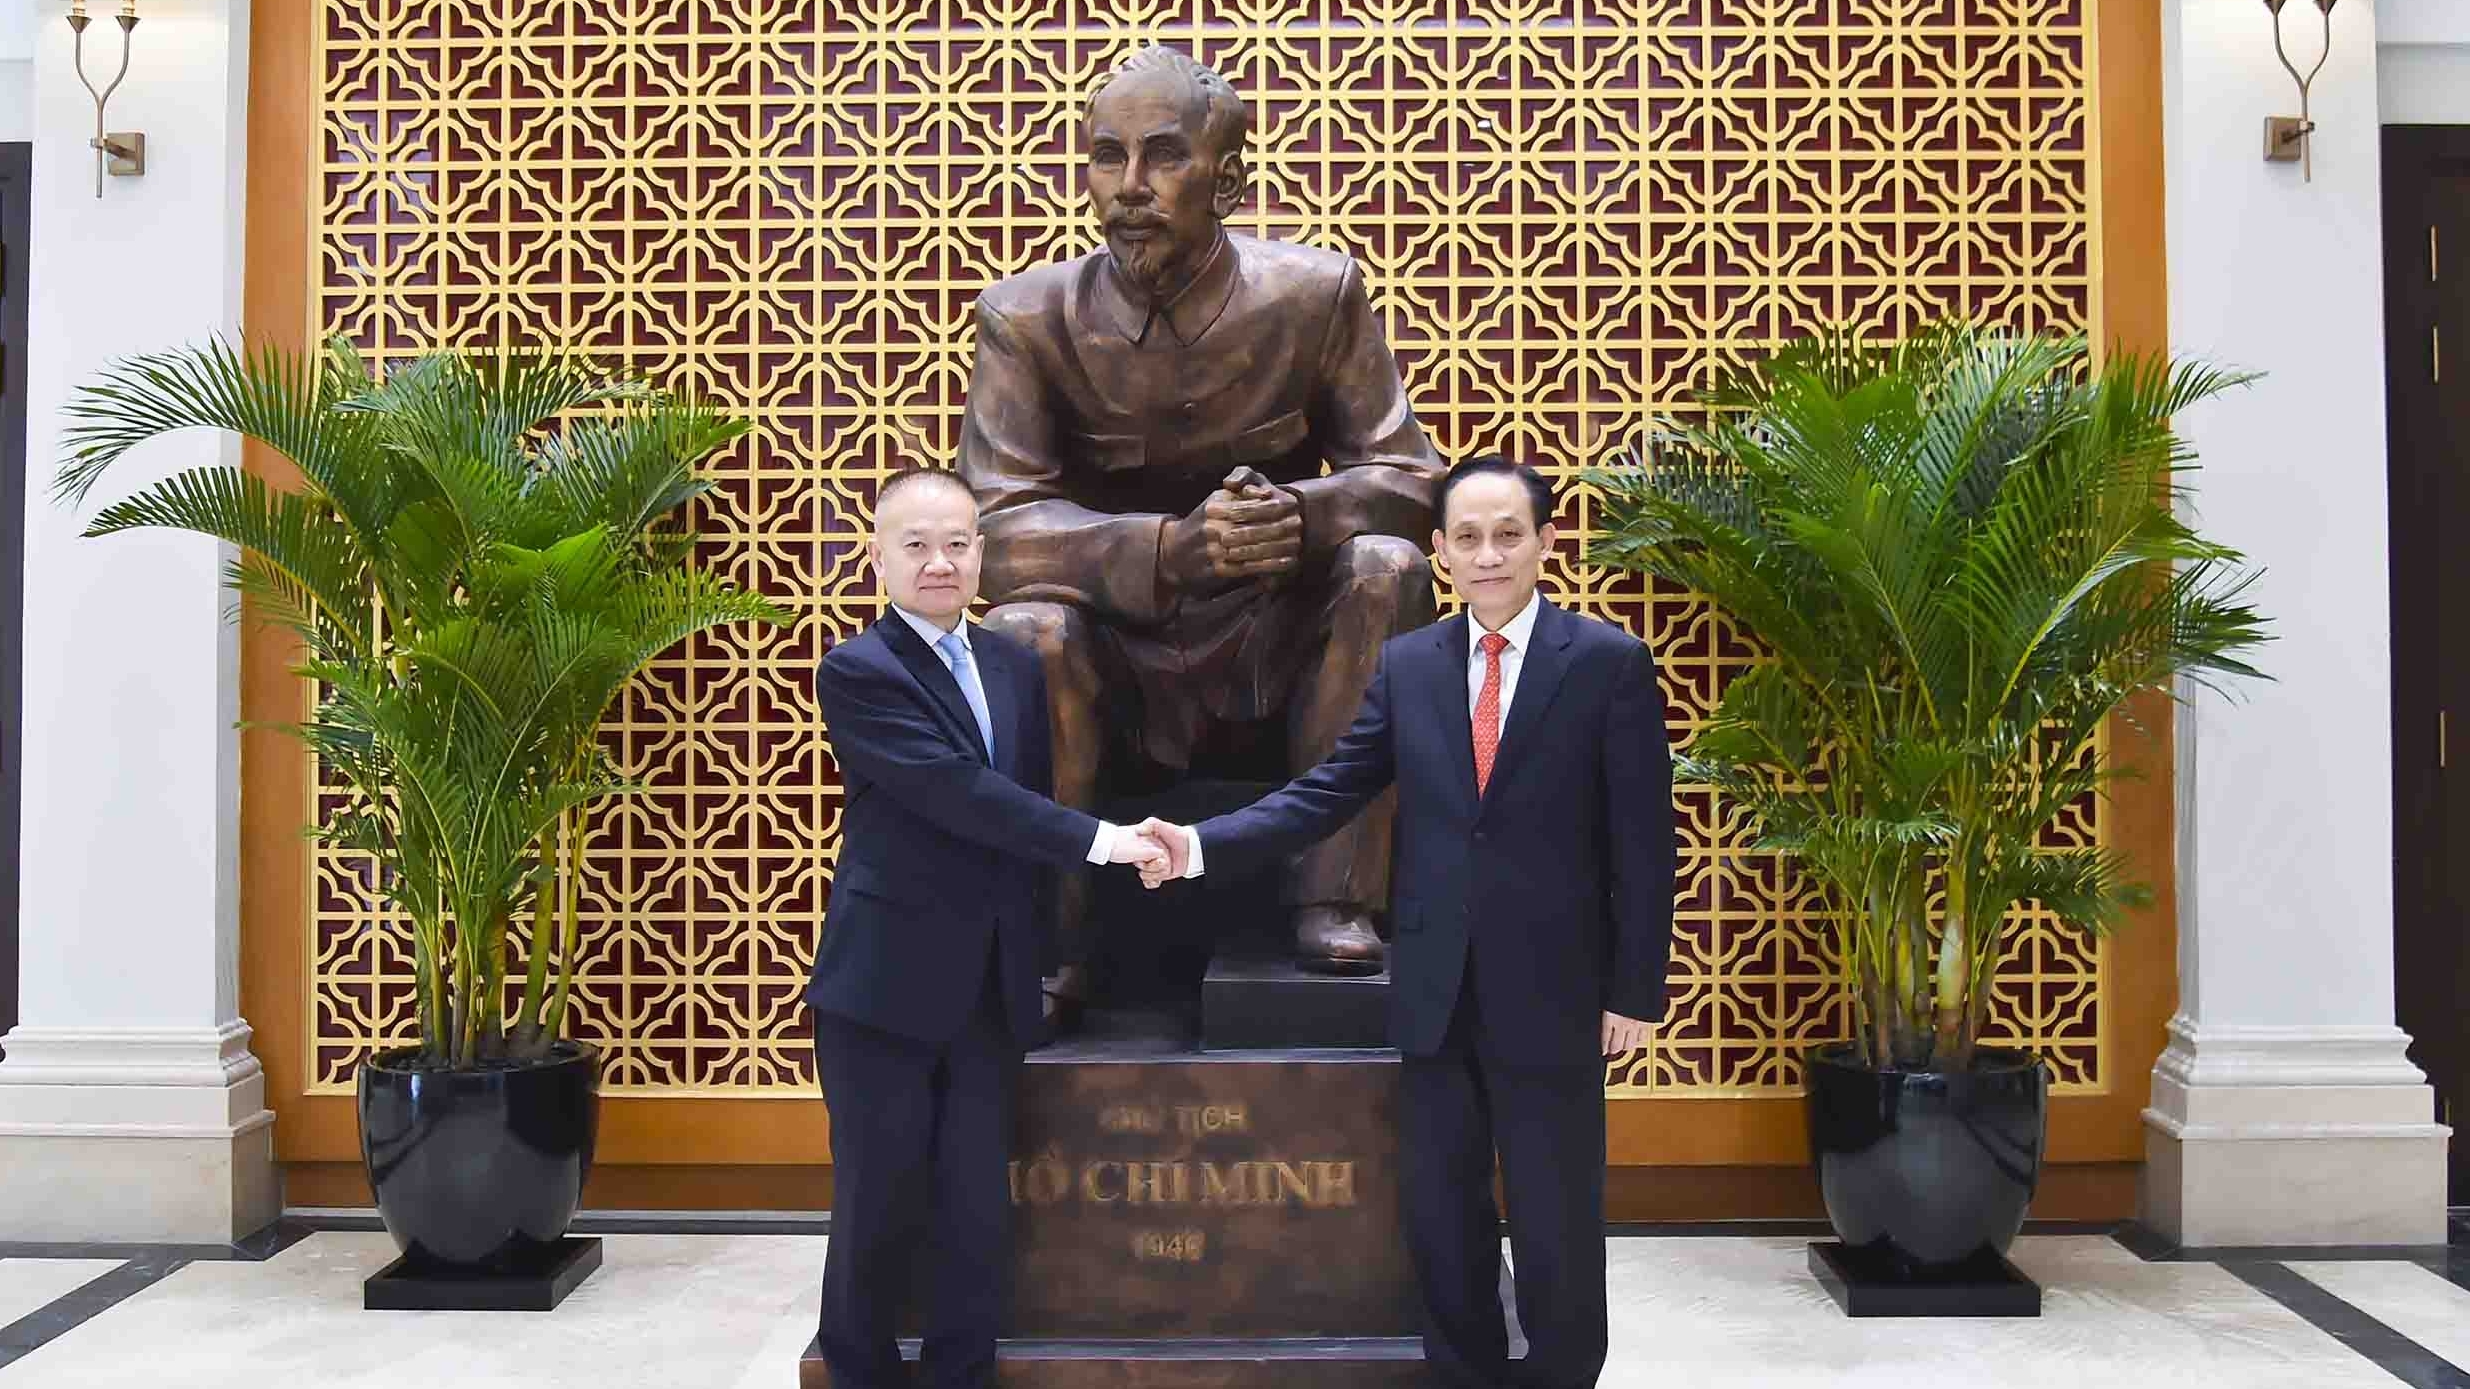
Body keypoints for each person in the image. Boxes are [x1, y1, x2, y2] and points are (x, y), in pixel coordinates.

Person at [1130, 454, 1676, 1389]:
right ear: (1439, 553)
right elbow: (1324, 793)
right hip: (1433, 995)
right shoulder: (1409, 665)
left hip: (1555, 996)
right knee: (1443, 1219)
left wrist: (1635, 990)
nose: (1489, 553)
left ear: (1546, 543)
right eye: (1467, 537)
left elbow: (1644, 843)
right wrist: (1199, 843)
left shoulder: (1607, 665)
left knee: (1556, 1227)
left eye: (1509, 534)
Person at [958, 44, 1445, 993]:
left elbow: (1409, 476)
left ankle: (1334, 898)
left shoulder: (1317, 295)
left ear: (1226, 180)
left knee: (1388, 566)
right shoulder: (1025, 318)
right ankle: (1055, 940)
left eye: (1163, 156)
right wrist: (1166, 552)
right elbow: (1000, 527)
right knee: (1027, 629)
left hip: (1278, 636)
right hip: (1116, 654)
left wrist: (1301, 515)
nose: (1129, 186)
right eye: (1106, 156)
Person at [807, 467, 1169, 1389]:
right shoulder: (858, 671)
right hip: (884, 990)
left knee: (977, 1212)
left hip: (992, 987)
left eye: (959, 542)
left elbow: (1030, 806)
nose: (941, 561)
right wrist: (1108, 841)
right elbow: (967, 798)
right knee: (876, 1212)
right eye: (917, 545)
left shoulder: (1012, 662)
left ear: (982, 551)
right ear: (878, 555)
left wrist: (1047, 958)